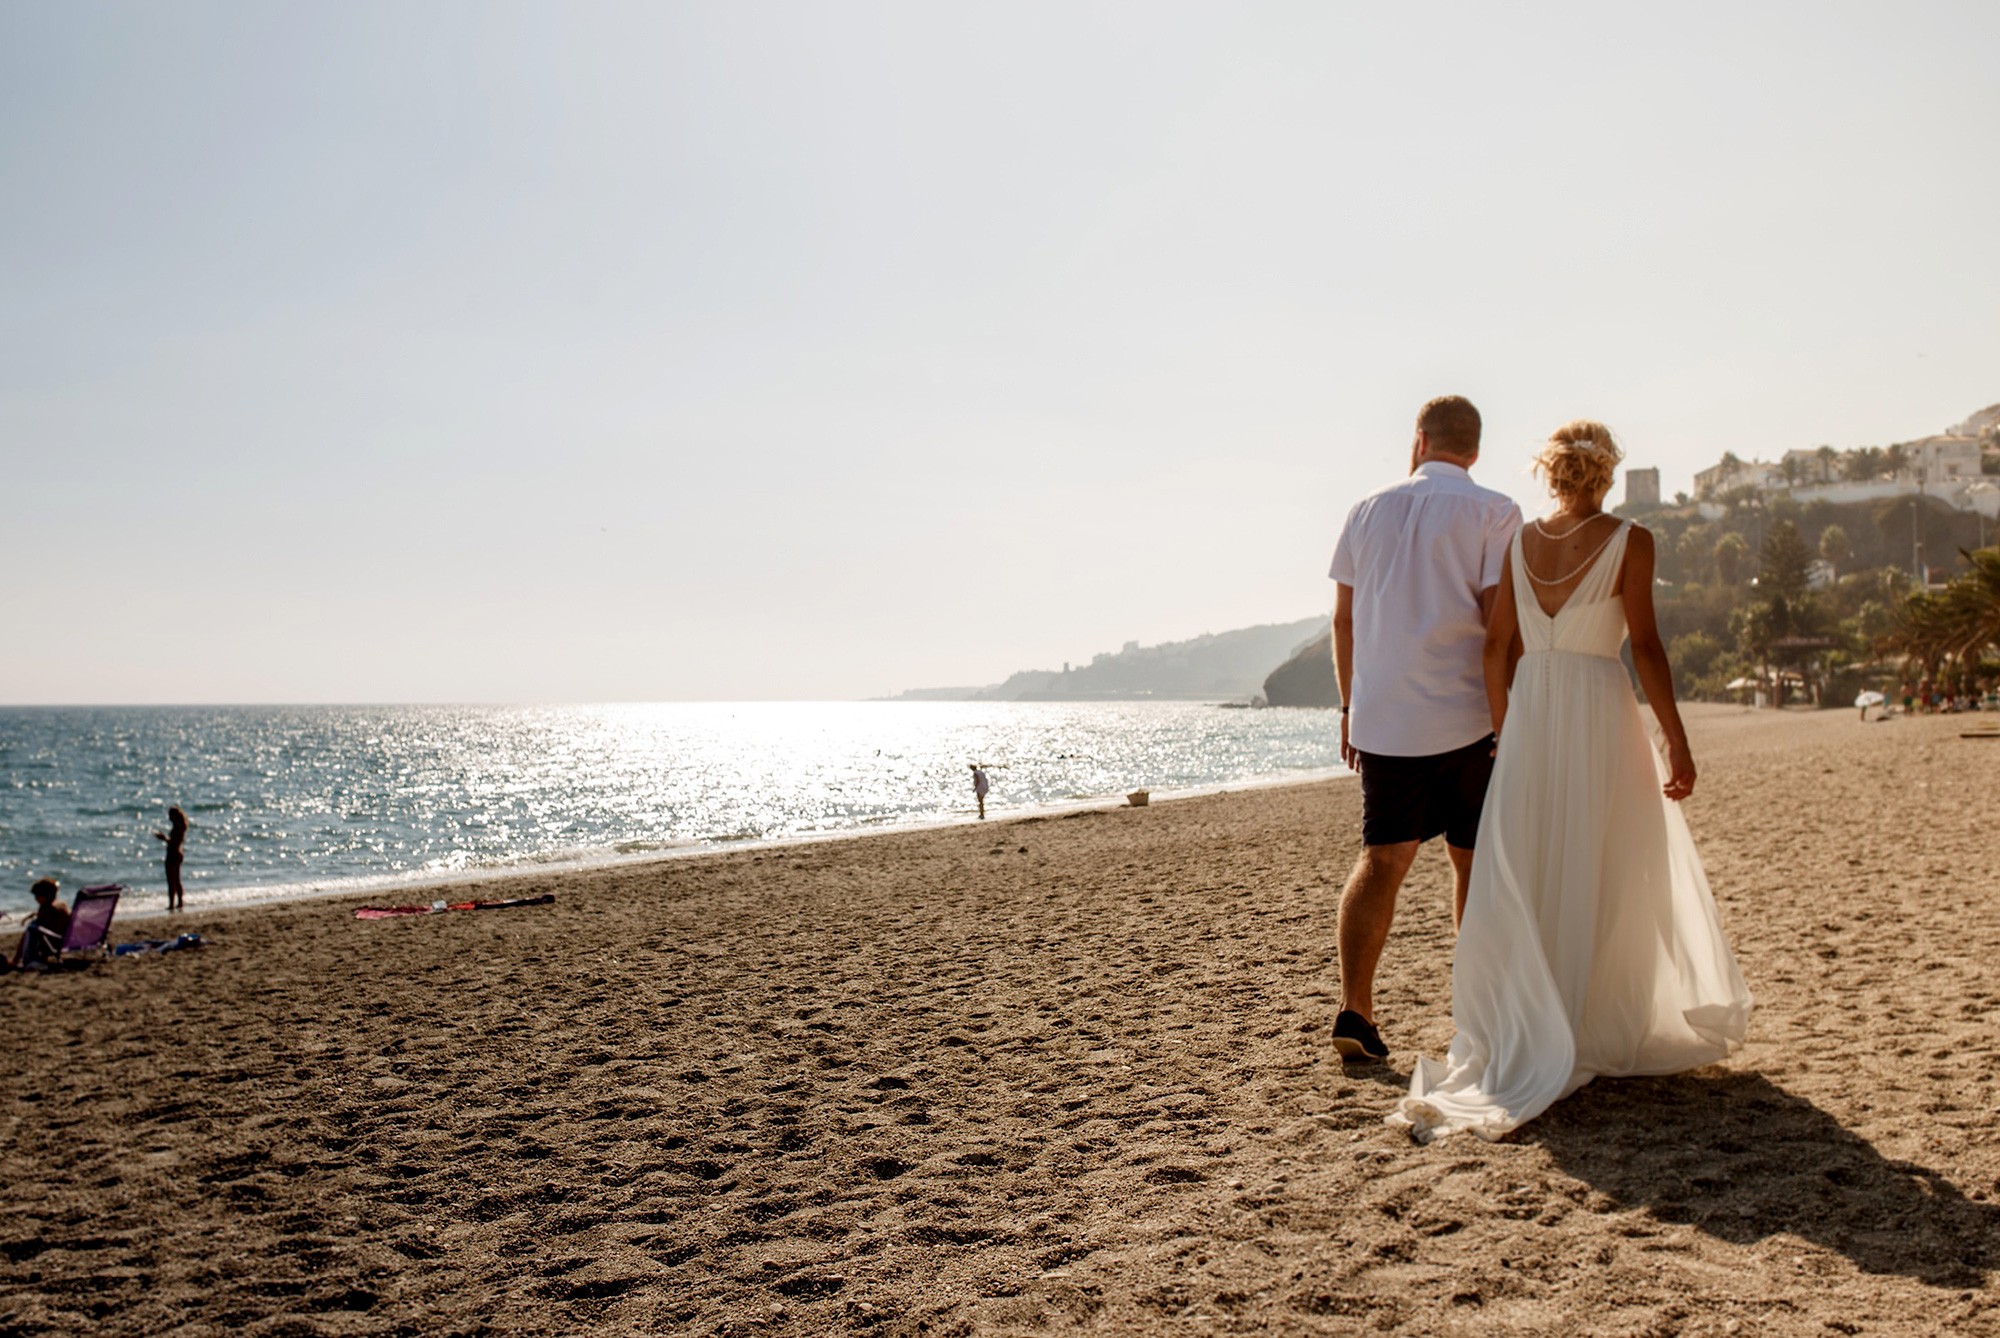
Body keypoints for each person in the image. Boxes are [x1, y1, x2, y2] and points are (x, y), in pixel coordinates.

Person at [1390, 422, 1752, 1143]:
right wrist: (1674, 739)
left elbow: (1498, 645)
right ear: (1606, 472)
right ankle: (1589, 1016)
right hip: (1597, 707)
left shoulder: (1518, 540)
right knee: (1608, 855)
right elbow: (1644, 645)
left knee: (1532, 856)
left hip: (1534, 712)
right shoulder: (1632, 540)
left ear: (1549, 473)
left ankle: (1543, 1015)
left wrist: (1504, 729)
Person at [1327, 395, 1523, 1062]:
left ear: (1420, 440)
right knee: (1471, 863)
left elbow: (1344, 621)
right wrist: (1512, 712)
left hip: (1386, 721)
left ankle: (1356, 1010)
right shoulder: (1496, 511)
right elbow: (1501, 627)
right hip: (1470, 718)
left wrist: (1350, 706)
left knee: (1382, 861)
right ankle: (1473, 1013)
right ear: (1474, 449)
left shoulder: (1366, 510)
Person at [13, 879, 71, 967]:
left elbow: (42, 926)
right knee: (35, 925)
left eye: (37, 895)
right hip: (66, 939)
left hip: (53, 942)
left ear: (46, 895)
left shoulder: (46, 908)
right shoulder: (62, 904)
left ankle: (25, 960)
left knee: (32, 928)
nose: (35, 898)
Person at [154, 806, 188, 912]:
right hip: (177, 853)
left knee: (171, 881)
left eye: (170, 815)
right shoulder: (180, 827)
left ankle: (172, 903)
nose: (169, 817)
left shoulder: (177, 828)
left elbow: (173, 842)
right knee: (177, 880)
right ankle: (179, 902)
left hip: (173, 854)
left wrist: (163, 838)